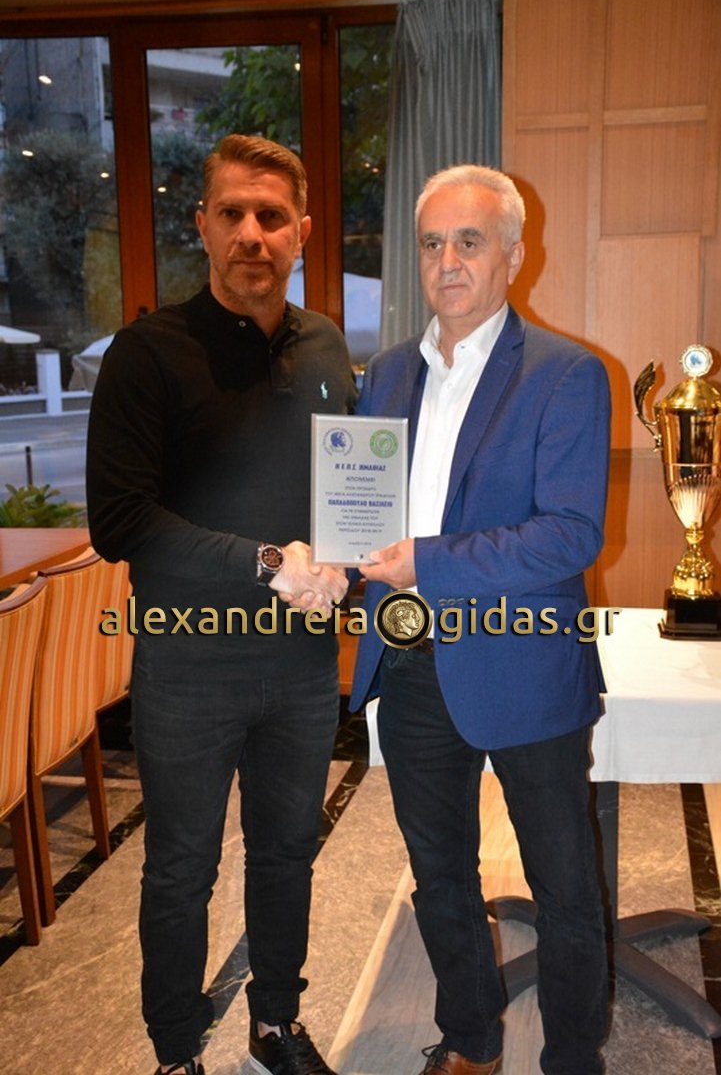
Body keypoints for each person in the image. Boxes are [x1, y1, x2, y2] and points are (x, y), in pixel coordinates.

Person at [87, 134, 357, 1075]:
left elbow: (344, 494)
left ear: (301, 232)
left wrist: (353, 560)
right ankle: (174, 1051)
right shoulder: (146, 353)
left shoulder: (325, 346)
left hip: (299, 667)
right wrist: (267, 563)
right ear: (201, 225)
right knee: (180, 869)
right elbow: (122, 522)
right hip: (187, 667)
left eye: (271, 216)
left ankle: (276, 1021)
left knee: (286, 853)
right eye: (233, 213)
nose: (252, 233)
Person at [349, 164, 611, 1075]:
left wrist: (428, 561)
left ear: (512, 255)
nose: (448, 261)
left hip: (524, 668)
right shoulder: (385, 374)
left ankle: (571, 1055)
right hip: (409, 664)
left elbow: (569, 535)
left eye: (469, 241)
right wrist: (332, 563)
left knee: (564, 886)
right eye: (432, 243)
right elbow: (365, 517)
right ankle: (470, 1037)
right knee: (439, 876)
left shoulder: (565, 373)